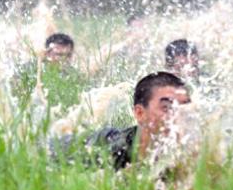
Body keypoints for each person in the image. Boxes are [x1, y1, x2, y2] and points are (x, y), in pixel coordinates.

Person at [58, 71, 191, 171]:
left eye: (184, 107)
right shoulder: (111, 153)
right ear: (139, 113)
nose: (179, 114)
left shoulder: (193, 150)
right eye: (167, 107)